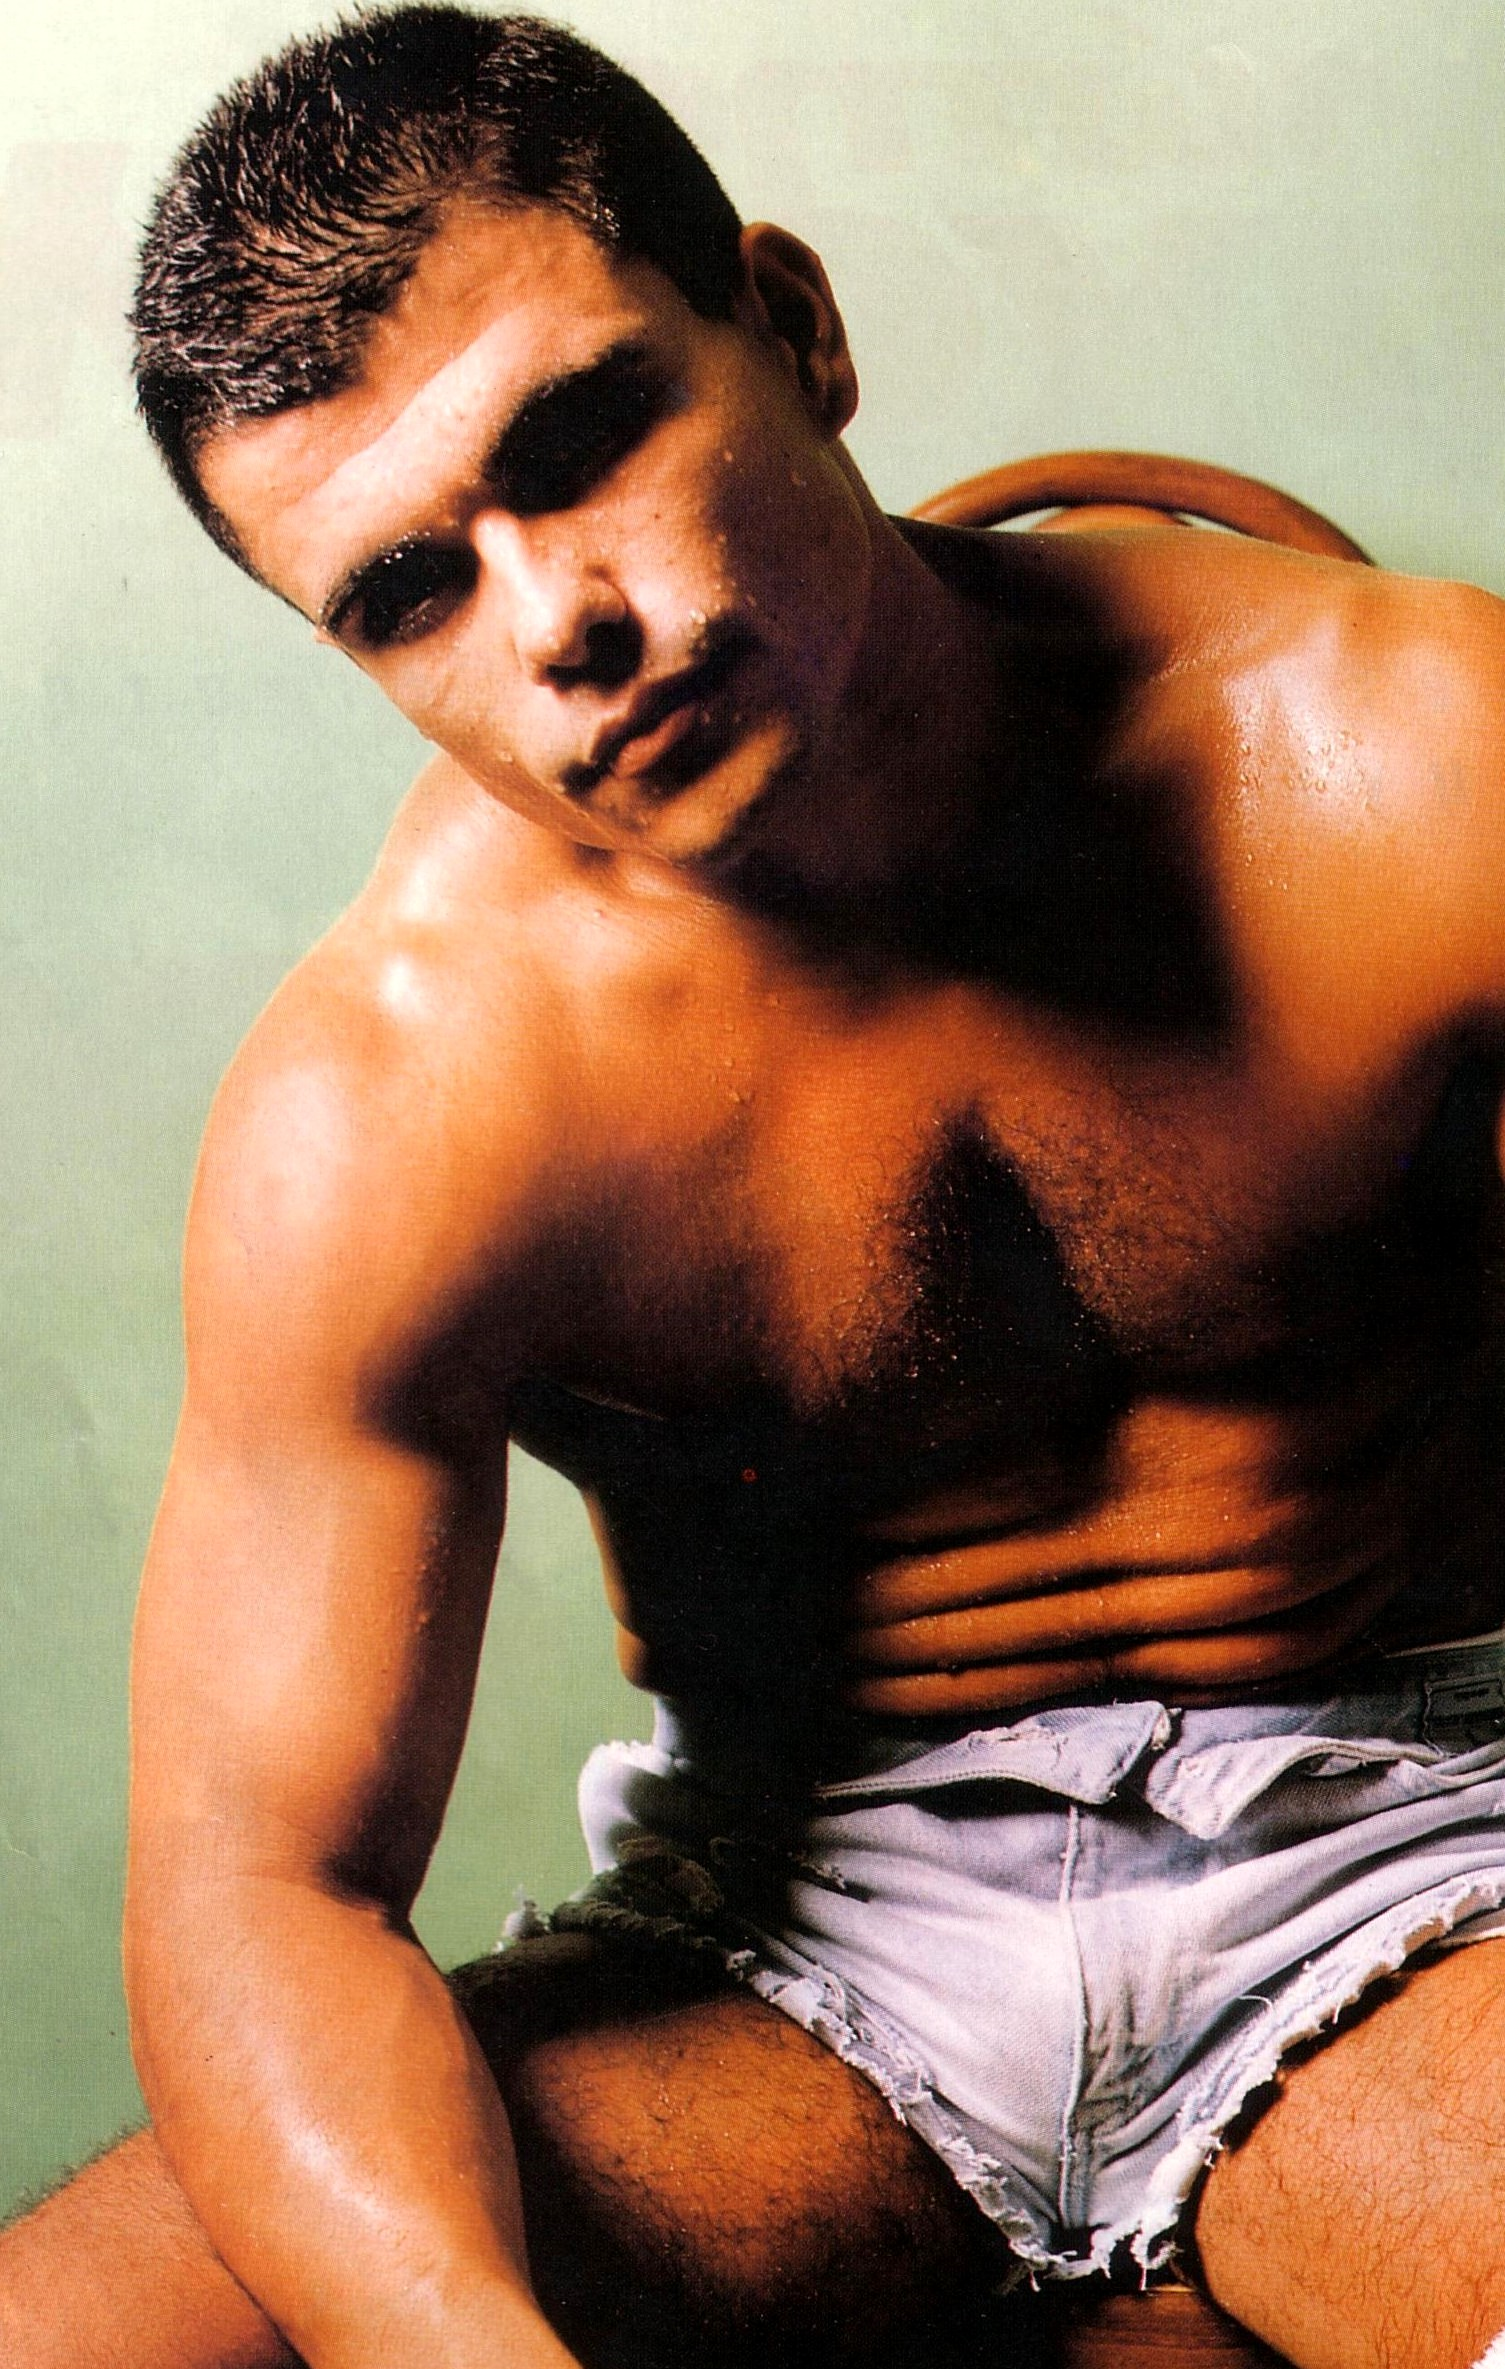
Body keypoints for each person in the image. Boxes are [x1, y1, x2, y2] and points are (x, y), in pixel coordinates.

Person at [7, 7, 1505, 2365]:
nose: (556, 623)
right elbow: (261, 1886)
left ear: (791, 328)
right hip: (796, 1939)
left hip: (1419, 1855)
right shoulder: (395, 1095)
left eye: (577, 439)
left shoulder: (1416, 764)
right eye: (405, 592)